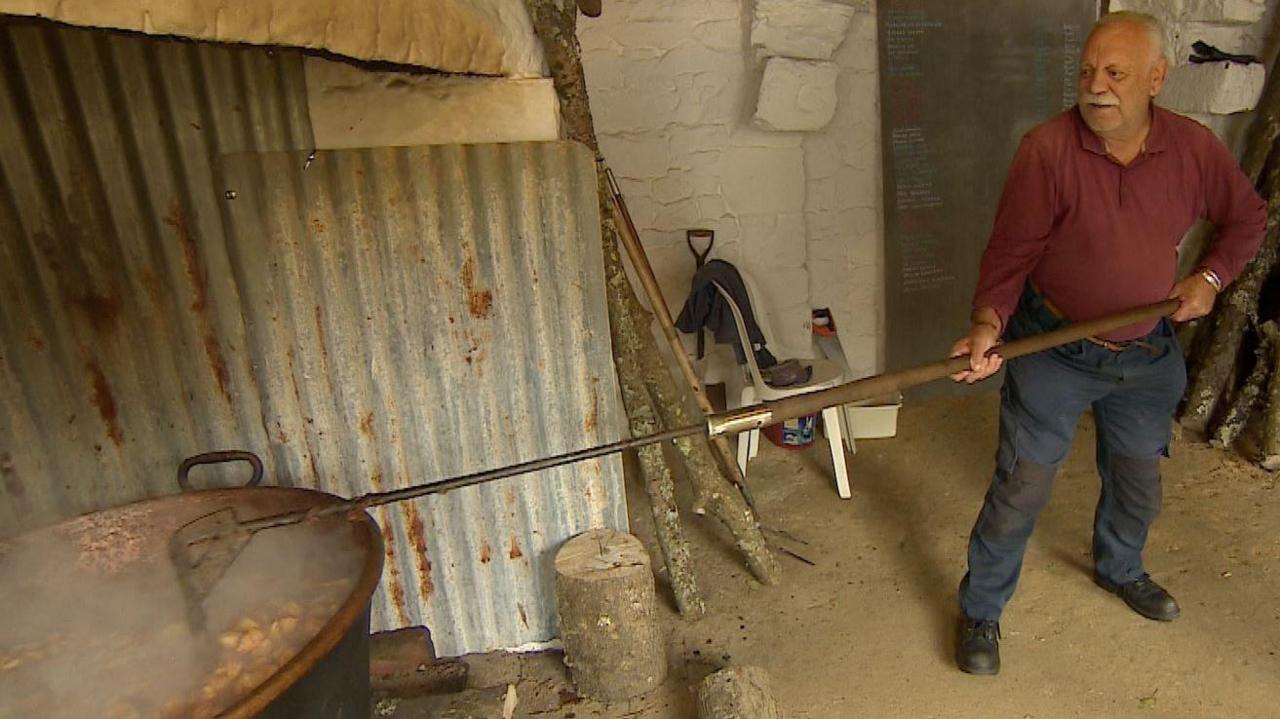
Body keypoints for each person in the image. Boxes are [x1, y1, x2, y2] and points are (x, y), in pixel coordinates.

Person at [949, 11, 1267, 675]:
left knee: (1137, 479)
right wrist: (986, 324)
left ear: (1156, 78)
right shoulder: (1047, 150)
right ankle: (981, 608)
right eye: (1088, 71)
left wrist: (1210, 276)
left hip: (1148, 352)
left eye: (1116, 74)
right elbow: (1012, 253)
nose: (1097, 86)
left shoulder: (1192, 149)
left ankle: (1120, 568)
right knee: (1022, 484)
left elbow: (1247, 217)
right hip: (1055, 346)